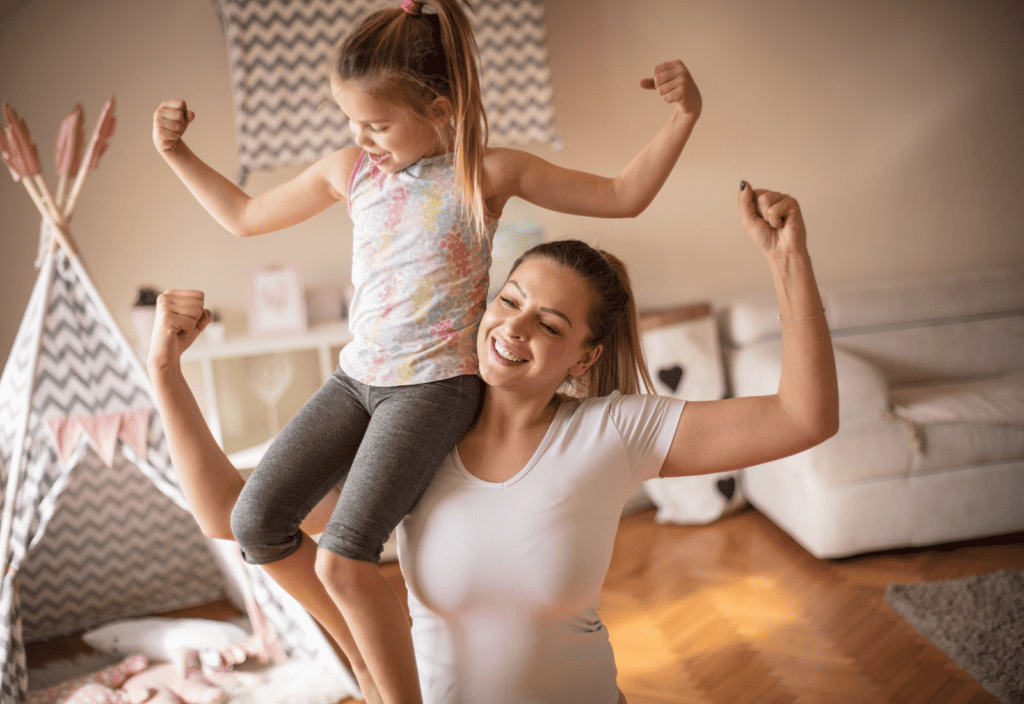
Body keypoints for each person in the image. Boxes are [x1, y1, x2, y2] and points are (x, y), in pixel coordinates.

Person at [152, 1, 699, 701]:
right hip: (356, 380)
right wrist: (176, 153)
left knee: (344, 563)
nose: (362, 137)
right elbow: (242, 215)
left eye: (377, 124)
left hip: (433, 386)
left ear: (439, 108)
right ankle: (370, 670)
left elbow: (624, 196)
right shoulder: (348, 171)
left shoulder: (485, 172)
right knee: (256, 521)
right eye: (352, 121)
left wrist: (681, 118)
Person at [147, 181, 838, 704]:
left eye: (549, 322)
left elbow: (802, 418)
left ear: (583, 357)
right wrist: (165, 372)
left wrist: (789, 261)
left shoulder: (614, 430)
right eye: (509, 301)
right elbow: (233, 517)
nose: (514, 328)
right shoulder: (412, 439)